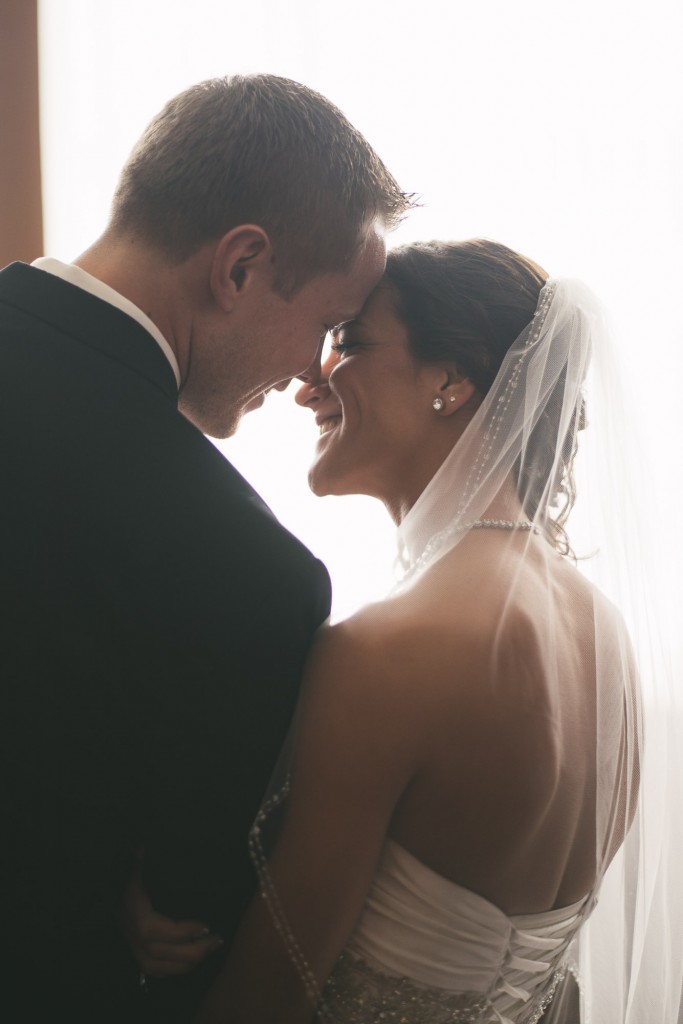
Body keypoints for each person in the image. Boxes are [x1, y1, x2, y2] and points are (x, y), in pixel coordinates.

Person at [127, 239, 682, 1022]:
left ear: (450, 381)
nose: (308, 383)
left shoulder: (386, 652)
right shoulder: (605, 635)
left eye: (349, 343)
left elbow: (265, 997)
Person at [0, 73, 413, 1022]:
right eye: (323, 325)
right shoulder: (244, 578)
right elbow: (195, 933)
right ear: (238, 267)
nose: (313, 375)